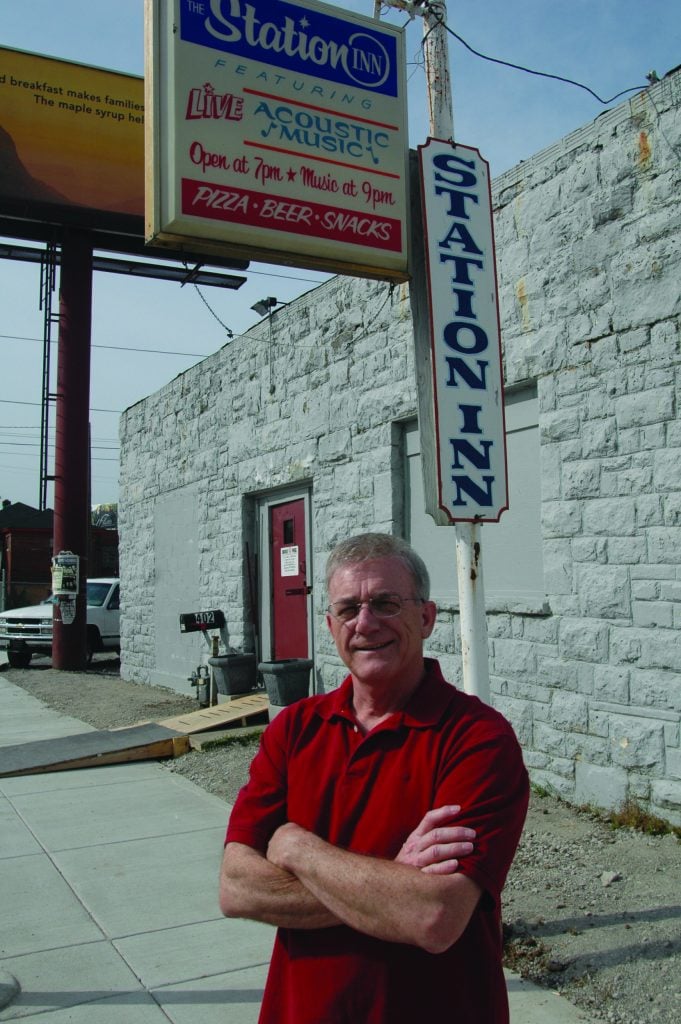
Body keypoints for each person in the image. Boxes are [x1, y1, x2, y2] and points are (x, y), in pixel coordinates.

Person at [220, 532, 529, 1023]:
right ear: (329, 624)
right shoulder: (294, 730)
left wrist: (297, 847)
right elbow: (237, 888)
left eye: (385, 603)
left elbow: (432, 916)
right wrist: (392, 881)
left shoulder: (478, 739)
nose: (365, 623)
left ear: (425, 618)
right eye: (348, 609)